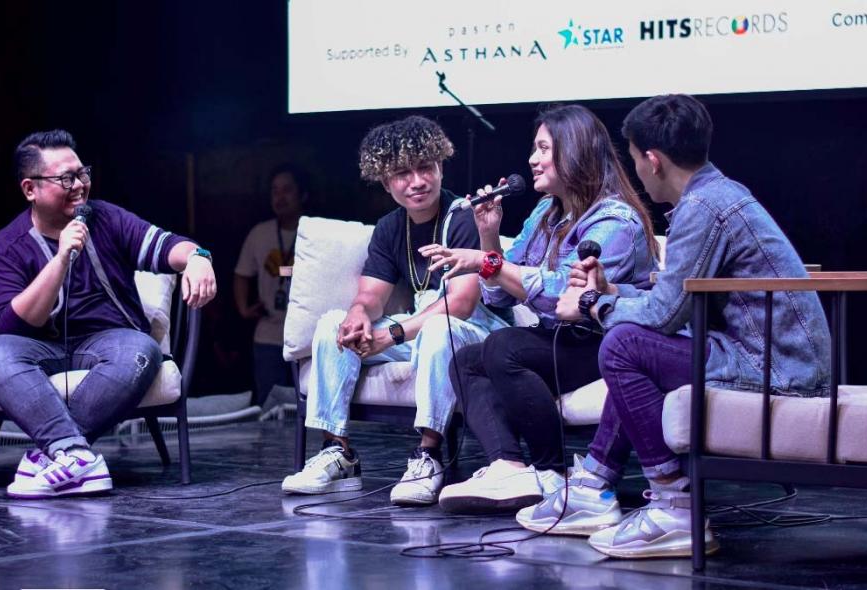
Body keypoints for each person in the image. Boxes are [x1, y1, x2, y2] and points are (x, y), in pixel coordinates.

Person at [523, 94, 830, 558]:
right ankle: (594, 483)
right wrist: (612, 296)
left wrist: (591, 305)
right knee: (634, 342)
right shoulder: (715, 195)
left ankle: (675, 503)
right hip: (761, 354)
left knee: (625, 345)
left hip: (778, 369)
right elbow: (674, 299)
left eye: (634, 160)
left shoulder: (704, 207)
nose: (637, 174)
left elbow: (666, 313)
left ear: (653, 160)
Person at [419, 104, 660, 513]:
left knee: (502, 347)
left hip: (608, 339)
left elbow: (564, 293)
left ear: (576, 151)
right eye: (534, 148)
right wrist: (488, 236)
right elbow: (498, 296)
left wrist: (487, 263)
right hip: (564, 339)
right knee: (467, 359)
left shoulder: (616, 220)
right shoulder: (547, 214)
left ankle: (550, 471)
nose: (532, 159)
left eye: (544, 148)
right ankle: (509, 465)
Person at [0, 130, 217, 498]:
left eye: (82, 173)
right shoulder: (5, 249)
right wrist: (60, 259)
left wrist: (198, 258)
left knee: (141, 349)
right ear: (30, 189)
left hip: (112, 343)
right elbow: (9, 326)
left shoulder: (105, 218)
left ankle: (60, 454)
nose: (79, 185)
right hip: (40, 349)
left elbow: (166, 245)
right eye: (65, 178)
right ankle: (77, 456)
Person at [281, 115, 510, 505]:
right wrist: (357, 314)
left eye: (425, 168)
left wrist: (394, 334)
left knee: (441, 329)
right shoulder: (391, 227)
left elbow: (462, 303)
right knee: (332, 324)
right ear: (386, 182)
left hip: (472, 331)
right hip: (420, 327)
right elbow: (371, 294)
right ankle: (338, 453)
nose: (416, 181)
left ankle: (429, 456)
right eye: (402, 173)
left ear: (440, 167)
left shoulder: (464, 215)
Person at [234, 164, 308, 409]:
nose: (280, 197)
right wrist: (243, 308)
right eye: (275, 191)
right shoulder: (260, 233)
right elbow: (241, 274)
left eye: (287, 190)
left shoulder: (315, 231)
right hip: (268, 334)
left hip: (307, 335)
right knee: (268, 407)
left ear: (302, 194)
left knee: (306, 406)